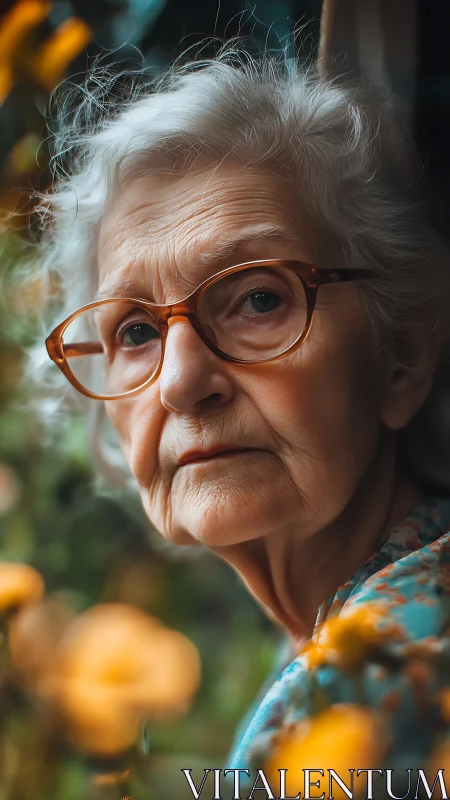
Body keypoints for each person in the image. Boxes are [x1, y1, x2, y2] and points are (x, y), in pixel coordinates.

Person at [37, 46, 450, 792]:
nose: (183, 382)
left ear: (402, 359)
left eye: (259, 298)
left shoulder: (377, 676)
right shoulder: (337, 643)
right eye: (136, 331)